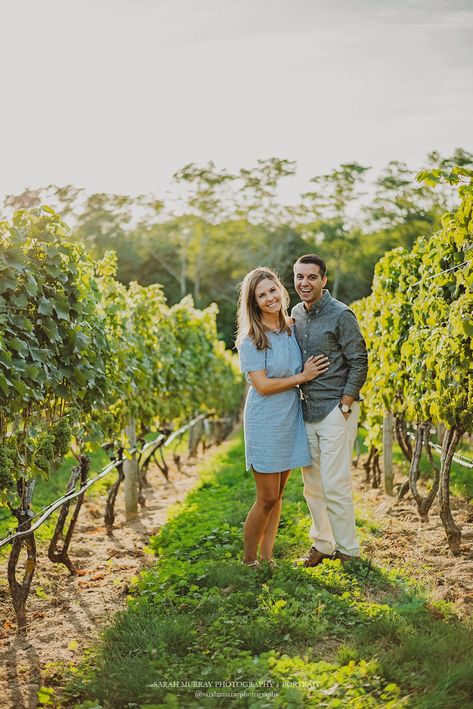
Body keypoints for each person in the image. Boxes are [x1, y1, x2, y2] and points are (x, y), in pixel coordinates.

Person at [236, 267, 329, 567]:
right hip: (264, 420)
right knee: (265, 498)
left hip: (290, 416)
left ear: (281, 289)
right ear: (254, 302)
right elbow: (261, 386)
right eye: (261, 295)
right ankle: (249, 562)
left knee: (278, 496)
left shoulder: (291, 327)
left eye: (272, 290)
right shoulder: (252, 339)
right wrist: (303, 376)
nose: (269, 298)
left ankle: (267, 557)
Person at [291, 254, 368, 566]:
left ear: (324, 280)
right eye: (299, 277)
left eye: (311, 277)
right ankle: (323, 543)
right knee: (313, 487)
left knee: (335, 484)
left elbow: (359, 360)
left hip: (336, 411)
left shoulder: (341, 315)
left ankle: (349, 551)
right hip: (306, 411)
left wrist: (346, 405)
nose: (304, 283)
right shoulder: (295, 312)